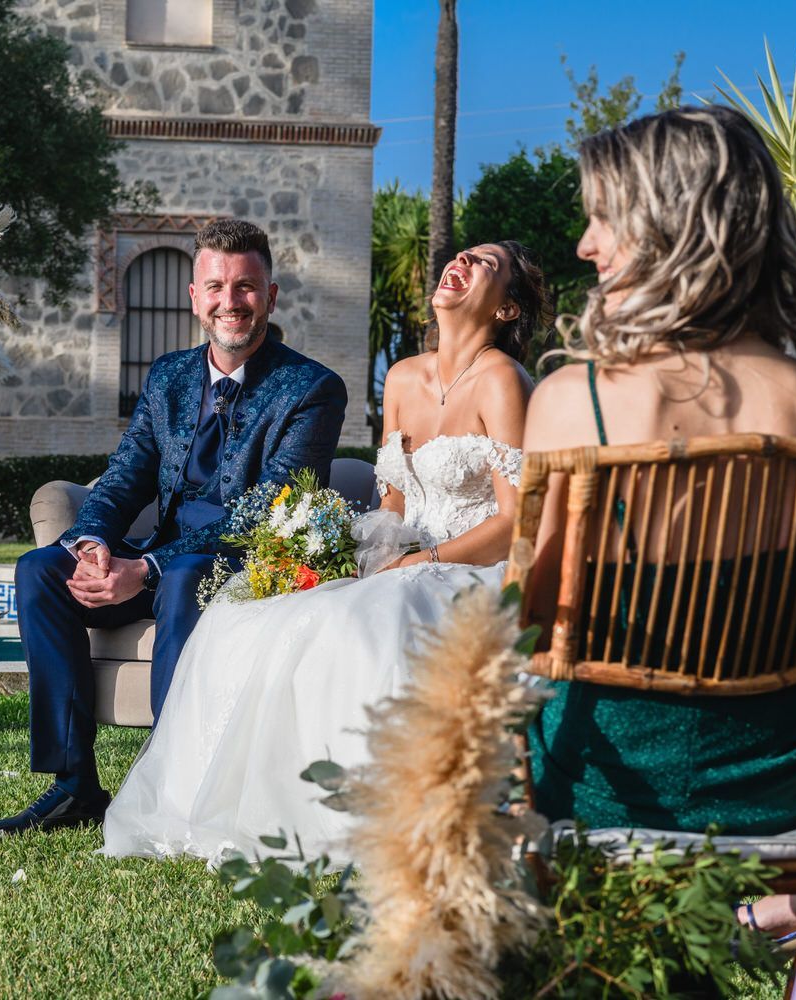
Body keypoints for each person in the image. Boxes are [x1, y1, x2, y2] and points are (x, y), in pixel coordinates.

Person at [102, 239, 550, 861]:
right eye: (461, 255)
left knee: (354, 622)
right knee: (249, 611)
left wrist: (419, 565)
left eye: (486, 265)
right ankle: (216, 803)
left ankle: (366, 818)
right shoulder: (401, 377)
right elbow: (392, 506)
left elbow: (517, 519)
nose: (463, 263)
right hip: (402, 556)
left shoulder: (503, 380)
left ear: (505, 310)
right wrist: (352, 554)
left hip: (472, 569)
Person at [521, 106, 796, 939]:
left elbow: (529, 626)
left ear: (669, 228)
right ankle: (756, 913)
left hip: (597, 784)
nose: (585, 245)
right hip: (779, 781)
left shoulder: (569, 401)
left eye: (602, 220)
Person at [0, 219, 347, 838]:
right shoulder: (169, 376)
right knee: (41, 570)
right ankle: (73, 785)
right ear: (194, 297)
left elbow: (267, 509)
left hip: (241, 566)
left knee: (186, 577)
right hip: (157, 560)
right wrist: (92, 543)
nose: (232, 302)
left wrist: (143, 569)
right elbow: (124, 477)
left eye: (247, 287)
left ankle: (174, 787)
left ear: (270, 297)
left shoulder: (311, 389)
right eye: (217, 287)